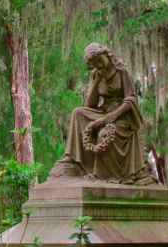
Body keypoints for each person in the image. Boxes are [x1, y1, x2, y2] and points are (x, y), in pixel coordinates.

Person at [48, 43, 158, 185]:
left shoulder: (121, 72)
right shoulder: (96, 74)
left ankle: (103, 174)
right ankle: (72, 159)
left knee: (103, 134)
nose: (98, 65)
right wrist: (96, 81)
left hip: (121, 116)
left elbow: (131, 100)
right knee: (78, 113)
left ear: (106, 55)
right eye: (94, 64)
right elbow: (90, 105)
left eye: (99, 60)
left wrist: (111, 117)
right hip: (103, 111)